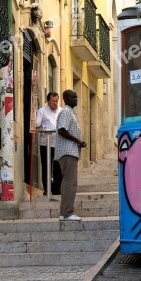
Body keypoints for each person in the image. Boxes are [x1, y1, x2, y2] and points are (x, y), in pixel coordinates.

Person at [54, 90, 87, 221]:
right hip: (68, 151)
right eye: (73, 97)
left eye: (76, 96)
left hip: (70, 151)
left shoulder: (70, 112)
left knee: (68, 182)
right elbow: (62, 130)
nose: (76, 99)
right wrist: (78, 141)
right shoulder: (66, 112)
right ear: (66, 99)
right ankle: (68, 212)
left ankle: (64, 212)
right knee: (70, 183)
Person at [36, 92, 63, 195]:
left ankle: (56, 188)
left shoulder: (61, 111)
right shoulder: (42, 111)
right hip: (46, 143)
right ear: (48, 101)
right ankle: (47, 188)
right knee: (46, 166)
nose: (55, 103)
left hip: (59, 143)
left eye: (56, 101)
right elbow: (37, 126)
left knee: (58, 166)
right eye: (53, 101)